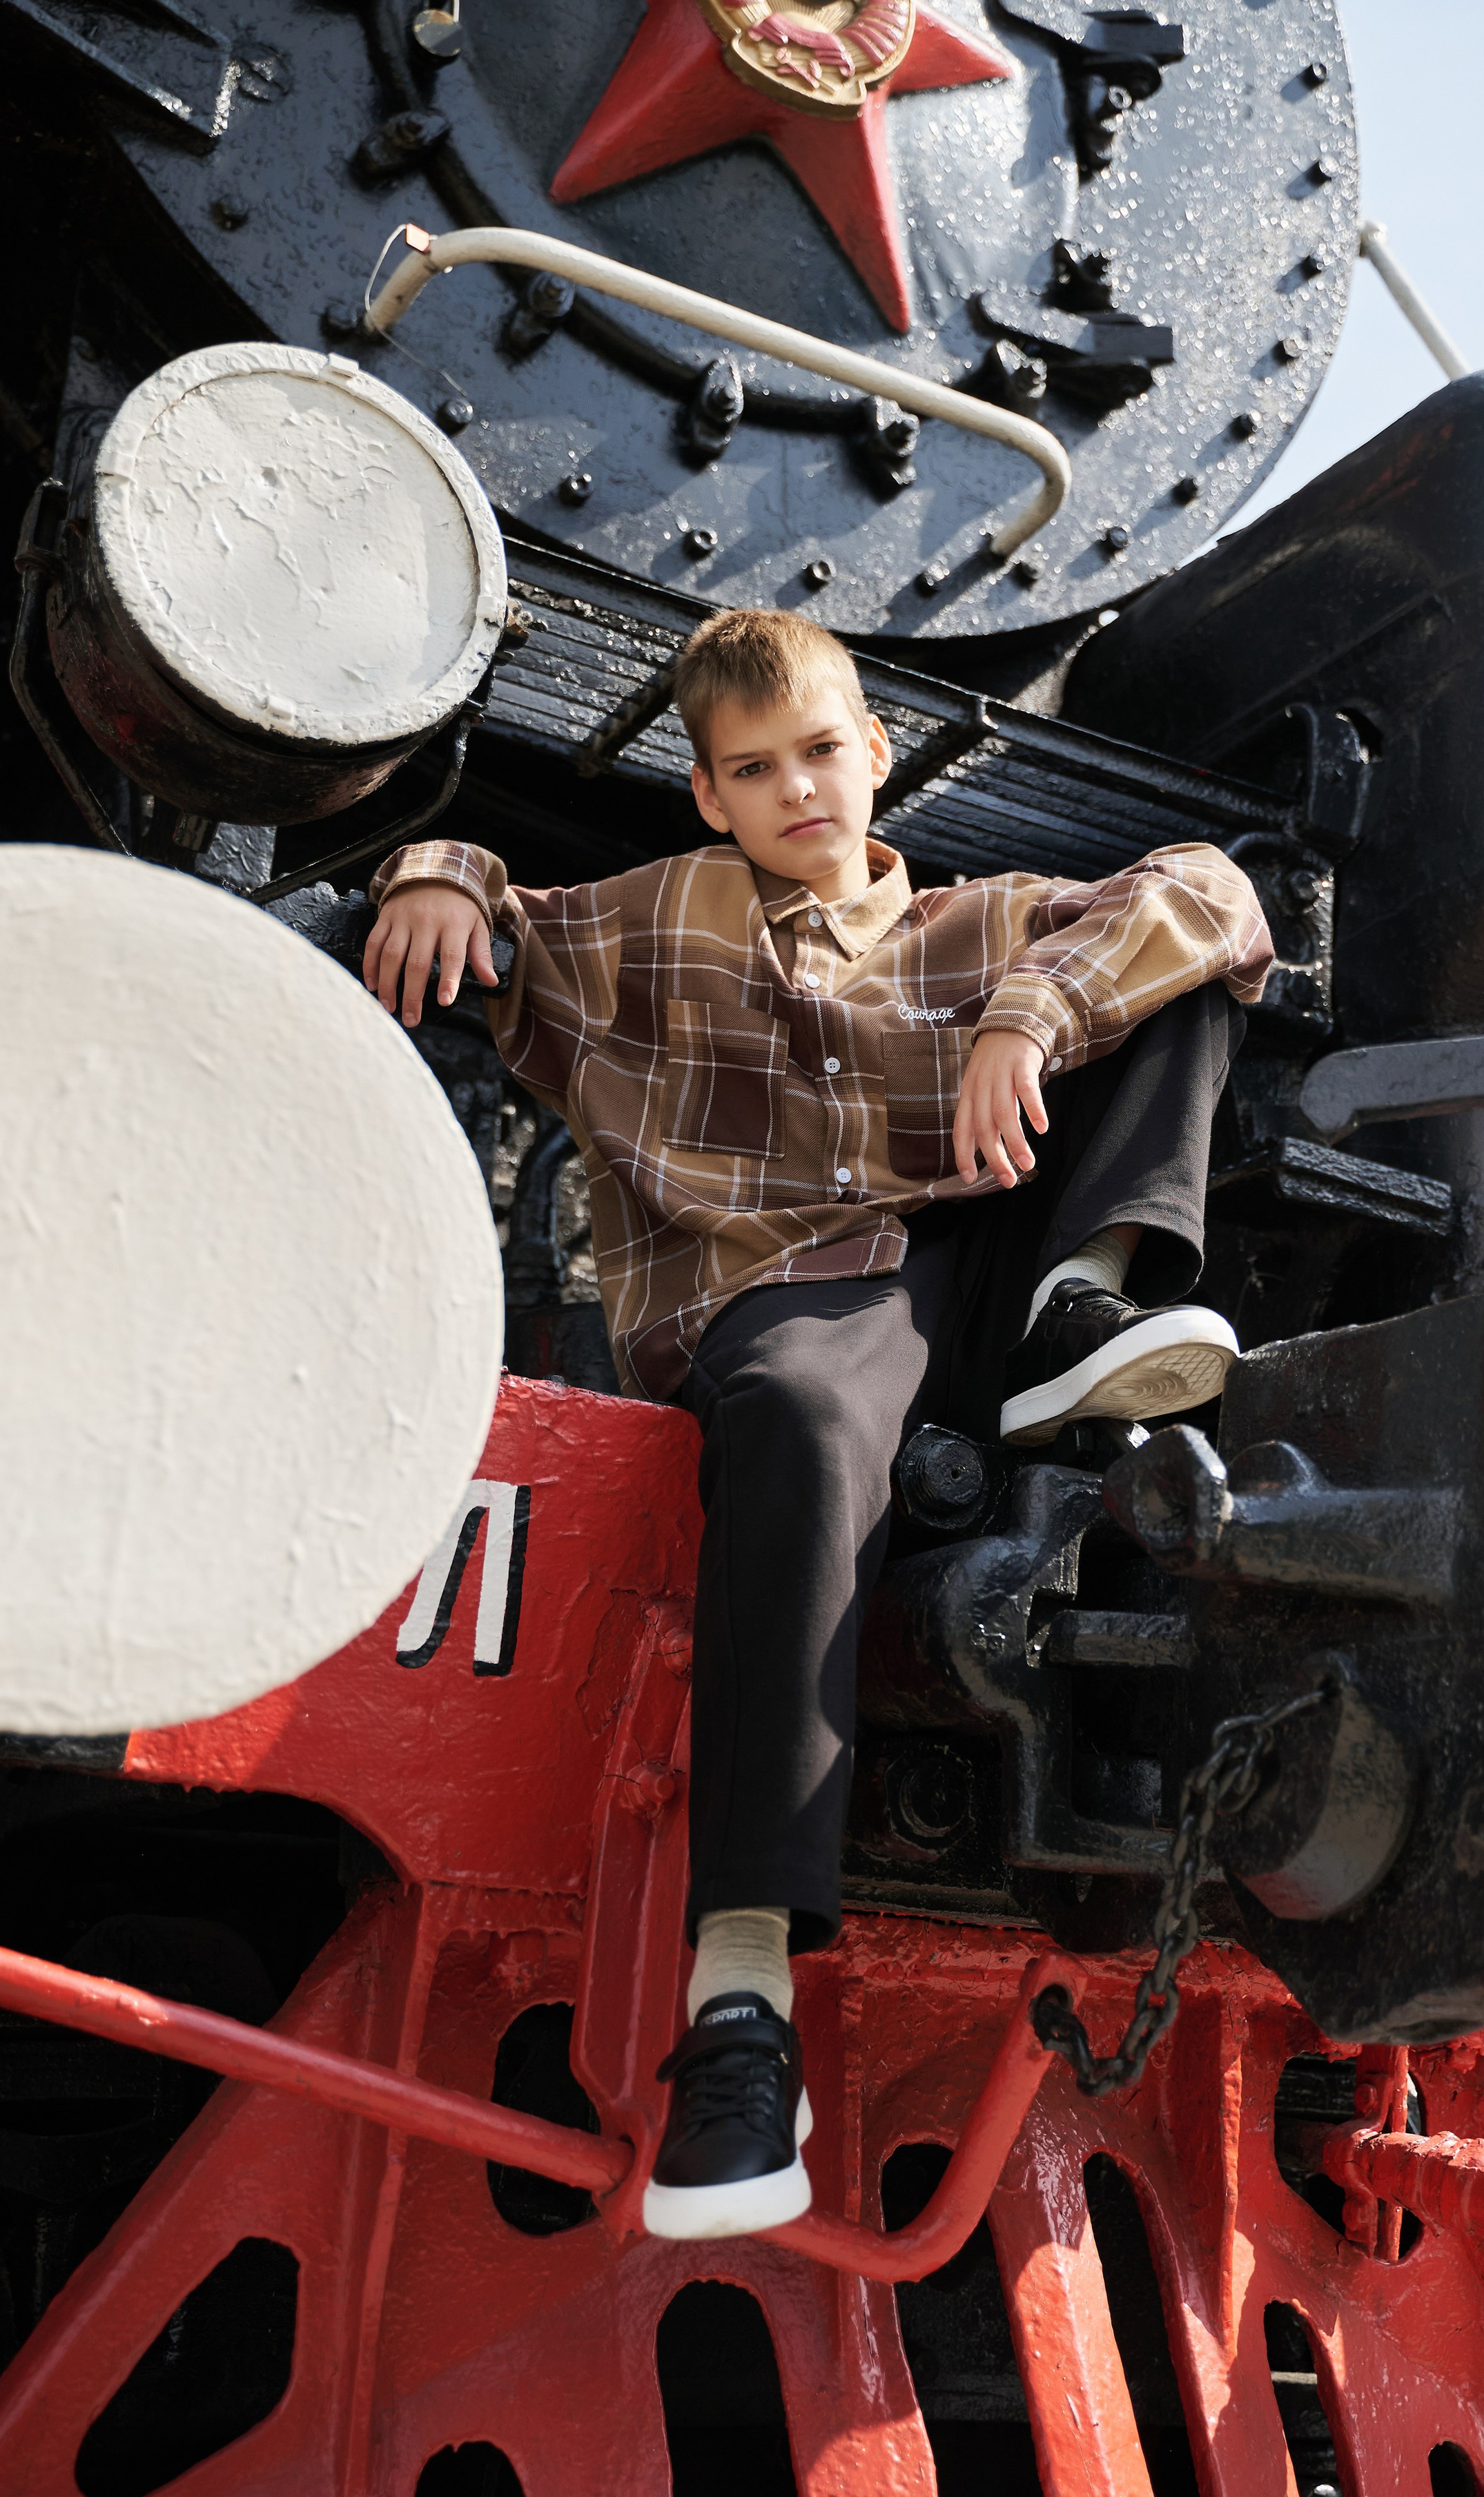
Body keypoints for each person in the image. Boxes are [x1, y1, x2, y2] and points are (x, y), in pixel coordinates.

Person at [362, 608, 1273, 2240]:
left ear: (874, 751)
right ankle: (739, 2008)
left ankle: (1093, 1301)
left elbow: (1214, 894)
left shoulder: (972, 920)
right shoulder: (655, 923)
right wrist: (435, 869)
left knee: (1176, 970)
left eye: (820, 751)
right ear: (709, 797)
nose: (797, 789)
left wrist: (1026, 1018)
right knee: (784, 1408)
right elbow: (495, 897)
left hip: (993, 1269)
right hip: (808, 1297)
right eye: (752, 770)